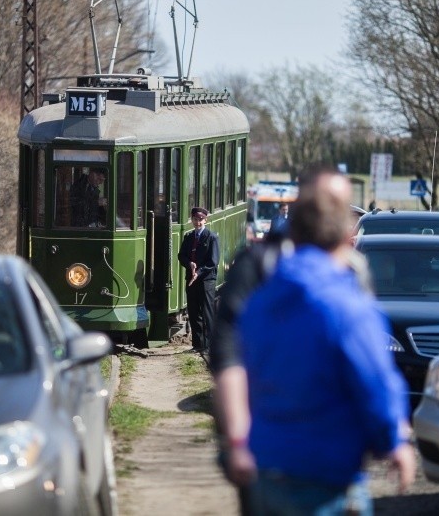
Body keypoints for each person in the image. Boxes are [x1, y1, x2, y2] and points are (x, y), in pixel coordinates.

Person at [228, 166, 415, 515]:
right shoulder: (349, 307)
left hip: (265, 470)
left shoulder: (261, 301)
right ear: (346, 236)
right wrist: (395, 441)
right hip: (326, 478)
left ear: (293, 232)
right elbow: (375, 383)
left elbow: (243, 372)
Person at [177, 207, 219, 353]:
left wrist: (199, 272)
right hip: (191, 280)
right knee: (194, 312)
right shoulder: (189, 237)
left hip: (206, 281)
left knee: (207, 311)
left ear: (205, 220)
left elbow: (213, 262)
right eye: (195, 219)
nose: (198, 222)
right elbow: (181, 255)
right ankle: (197, 344)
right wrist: (189, 263)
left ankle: (208, 345)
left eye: (200, 220)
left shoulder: (211, 237)